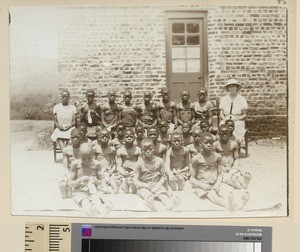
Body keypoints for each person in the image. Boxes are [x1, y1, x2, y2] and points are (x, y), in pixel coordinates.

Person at [190, 133, 249, 210]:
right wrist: (201, 185)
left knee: (226, 193)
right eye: (206, 143)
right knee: (212, 195)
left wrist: (217, 184)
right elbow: (192, 179)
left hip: (215, 183)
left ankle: (238, 203)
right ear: (200, 143)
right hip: (203, 184)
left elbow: (220, 174)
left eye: (210, 142)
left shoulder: (217, 157)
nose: (208, 145)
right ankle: (227, 205)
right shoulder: (196, 158)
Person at [133, 138, 180, 211]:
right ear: (141, 150)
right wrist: (146, 185)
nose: (148, 151)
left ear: (154, 148)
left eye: (150, 148)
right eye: (145, 149)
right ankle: (152, 205)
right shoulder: (139, 163)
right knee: (147, 194)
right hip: (144, 186)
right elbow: (135, 180)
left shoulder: (160, 161)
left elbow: (163, 176)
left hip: (157, 184)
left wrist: (159, 184)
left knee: (162, 194)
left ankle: (168, 204)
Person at [69, 143, 112, 216]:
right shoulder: (75, 164)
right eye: (83, 158)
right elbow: (71, 183)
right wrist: (79, 180)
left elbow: (100, 182)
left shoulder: (97, 164)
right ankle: (92, 212)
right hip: (79, 191)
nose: (86, 161)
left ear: (92, 155)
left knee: (97, 200)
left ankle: (103, 212)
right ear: (79, 155)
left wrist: (95, 180)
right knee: (85, 202)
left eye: (89, 158)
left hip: (93, 191)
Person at [213, 124, 251, 189]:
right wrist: (220, 167)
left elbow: (236, 158)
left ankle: (243, 183)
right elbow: (214, 159)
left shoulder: (234, 144)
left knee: (235, 172)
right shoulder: (215, 144)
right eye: (222, 134)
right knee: (222, 176)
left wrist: (234, 166)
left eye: (226, 133)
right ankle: (235, 184)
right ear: (218, 134)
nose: (224, 136)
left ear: (229, 133)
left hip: (231, 165)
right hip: (220, 165)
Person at [93, 128, 121, 193]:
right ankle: (104, 188)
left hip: (108, 170)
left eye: (106, 136)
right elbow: (93, 163)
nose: (104, 138)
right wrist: (98, 172)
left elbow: (114, 163)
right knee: (102, 182)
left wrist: (111, 171)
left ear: (109, 138)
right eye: (102, 136)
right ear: (99, 138)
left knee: (112, 180)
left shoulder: (112, 149)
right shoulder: (95, 149)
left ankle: (115, 187)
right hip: (99, 171)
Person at [116, 129, 141, 193]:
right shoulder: (120, 150)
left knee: (133, 179)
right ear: (123, 138)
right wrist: (122, 171)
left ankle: (132, 186)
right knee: (118, 178)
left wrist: (135, 171)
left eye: (131, 137)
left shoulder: (138, 150)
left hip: (135, 170)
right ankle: (120, 186)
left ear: (134, 138)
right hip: (124, 170)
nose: (129, 138)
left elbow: (140, 163)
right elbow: (119, 165)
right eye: (127, 137)